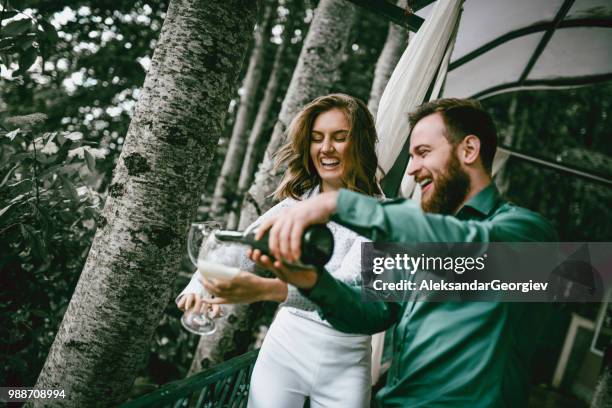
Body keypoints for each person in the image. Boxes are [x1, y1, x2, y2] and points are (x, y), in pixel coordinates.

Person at [252, 98, 558, 407]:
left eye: (423, 153)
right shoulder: (416, 240)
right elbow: (372, 311)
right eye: (411, 156)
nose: (411, 169)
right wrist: (313, 282)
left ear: (469, 150)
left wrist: (338, 203)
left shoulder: (528, 232)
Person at [177, 93, 383, 408]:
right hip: (284, 350)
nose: (325, 148)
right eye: (317, 138)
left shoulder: (385, 217)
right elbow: (239, 249)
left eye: (339, 138)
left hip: (347, 364)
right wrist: (199, 286)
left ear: (361, 143)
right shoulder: (293, 205)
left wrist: (266, 289)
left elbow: (349, 290)